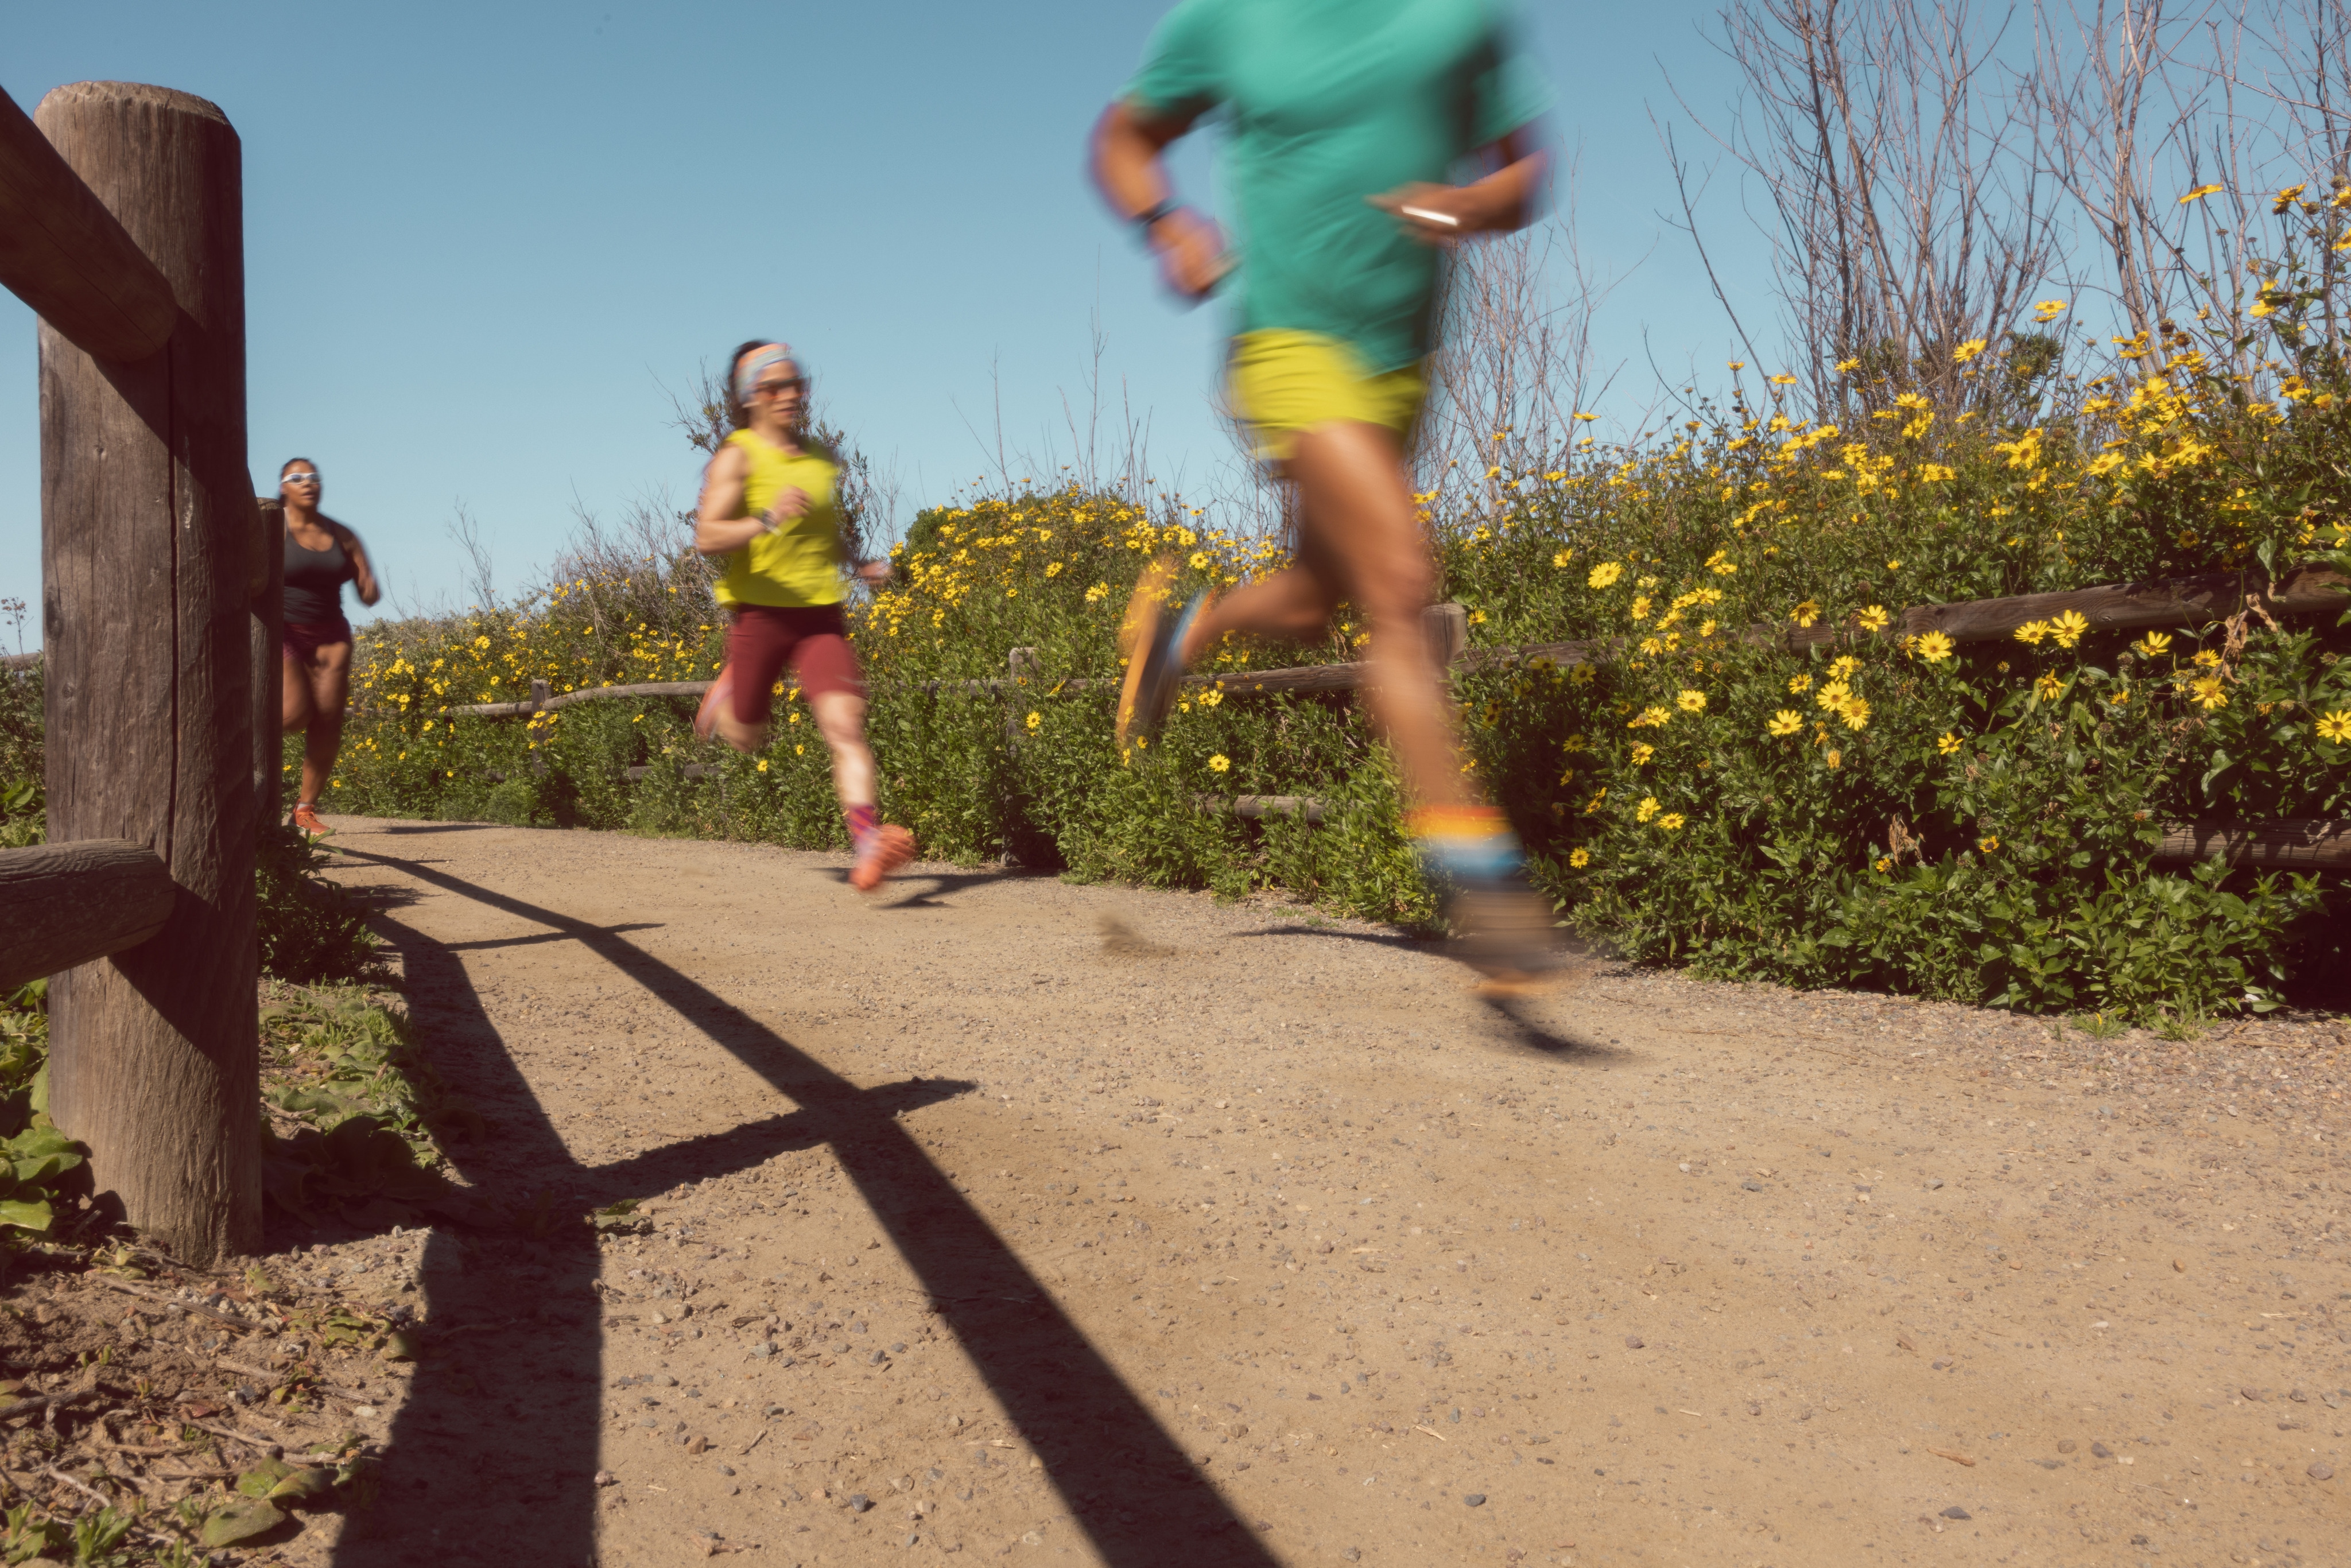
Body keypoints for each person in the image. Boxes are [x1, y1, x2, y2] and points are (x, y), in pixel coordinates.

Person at [1091, 0, 1564, 992]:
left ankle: (1187, 630)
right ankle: (1477, 877)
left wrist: (1472, 205)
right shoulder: (1228, 19)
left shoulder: (1460, 19)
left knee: (1314, 599)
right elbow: (1124, 137)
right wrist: (1166, 221)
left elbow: (1526, 169)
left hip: (1402, 361)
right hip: (1285, 342)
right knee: (1396, 579)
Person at [692, 340, 916, 892]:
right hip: (760, 613)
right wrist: (765, 518)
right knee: (746, 737)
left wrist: (858, 562)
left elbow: (824, 532)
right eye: (775, 387)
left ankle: (866, 844)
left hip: (820, 615)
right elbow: (707, 536)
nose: (792, 395)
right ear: (751, 398)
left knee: (846, 727)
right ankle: (727, 695)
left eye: (798, 383)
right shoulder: (738, 456)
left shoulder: (821, 459)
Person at [275, 458, 381, 837]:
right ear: (284, 486)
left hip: (331, 635)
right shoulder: (270, 527)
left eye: (314, 477)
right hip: (282, 630)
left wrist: (367, 586)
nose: (308, 483)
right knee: (292, 715)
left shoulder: (341, 533)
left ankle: (304, 810)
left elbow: (367, 588)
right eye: (297, 477)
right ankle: (236, 753)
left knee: (327, 721)